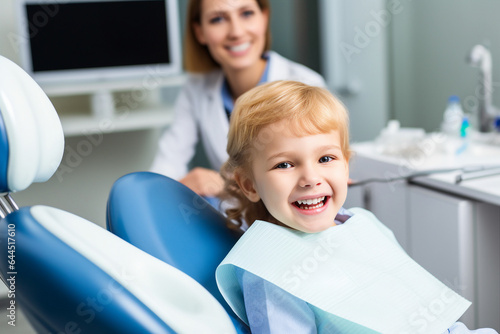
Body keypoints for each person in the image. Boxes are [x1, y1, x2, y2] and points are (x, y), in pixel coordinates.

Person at [215, 81, 498, 334]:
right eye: (285, 164)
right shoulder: (269, 271)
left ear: (346, 164)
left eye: (326, 158)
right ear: (250, 185)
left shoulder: (358, 222)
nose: (311, 179)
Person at [150, 0, 326, 198]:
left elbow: (310, 177)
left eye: (247, 13)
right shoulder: (197, 87)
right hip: (232, 218)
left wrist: (224, 183)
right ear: (200, 32)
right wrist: (182, 185)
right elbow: (166, 165)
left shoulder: (307, 85)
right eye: (218, 19)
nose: (236, 31)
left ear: (264, 17)